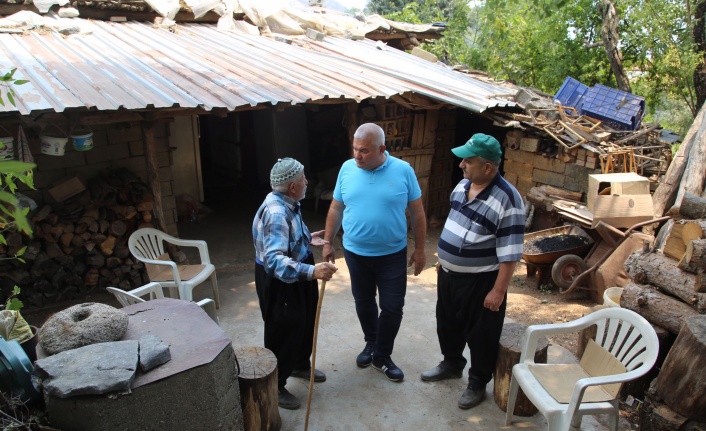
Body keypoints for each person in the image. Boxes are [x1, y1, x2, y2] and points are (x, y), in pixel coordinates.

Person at [420, 133, 525, 409]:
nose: (461, 165)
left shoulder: (508, 200)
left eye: (468, 161)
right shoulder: (463, 186)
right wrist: (445, 259)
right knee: (447, 324)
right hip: (449, 275)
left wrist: (498, 291)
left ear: (488, 167)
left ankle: (477, 383)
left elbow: (510, 253)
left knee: (481, 336)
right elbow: (454, 225)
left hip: (481, 281)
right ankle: (451, 363)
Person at [322, 123, 427, 382]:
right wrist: (327, 242)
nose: (357, 156)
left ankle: (382, 355)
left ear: (382, 149)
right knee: (364, 301)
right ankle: (372, 344)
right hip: (355, 253)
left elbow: (418, 212)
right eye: (355, 149)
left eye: (364, 151)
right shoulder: (347, 169)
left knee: (392, 308)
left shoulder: (403, 170)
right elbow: (336, 208)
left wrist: (421, 249)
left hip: (392, 254)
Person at [252, 157, 338, 410]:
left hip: (297, 273)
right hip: (283, 280)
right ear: (292, 186)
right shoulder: (277, 212)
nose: (307, 182)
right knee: (285, 329)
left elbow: (284, 240)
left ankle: (300, 364)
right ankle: (276, 385)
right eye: (303, 179)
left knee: (304, 320)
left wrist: (305, 238)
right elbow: (274, 261)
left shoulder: (288, 203)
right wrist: (313, 271)